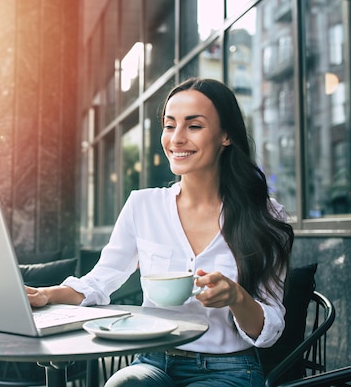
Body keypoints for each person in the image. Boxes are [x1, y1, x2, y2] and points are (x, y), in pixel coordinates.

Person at [26, 78, 294, 387]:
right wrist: (45, 294)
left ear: (226, 136)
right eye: (169, 126)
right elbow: (98, 282)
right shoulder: (143, 205)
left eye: (194, 126)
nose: (177, 139)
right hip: (151, 361)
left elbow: (270, 329)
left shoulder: (265, 215)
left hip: (228, 369)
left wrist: (236, 296)